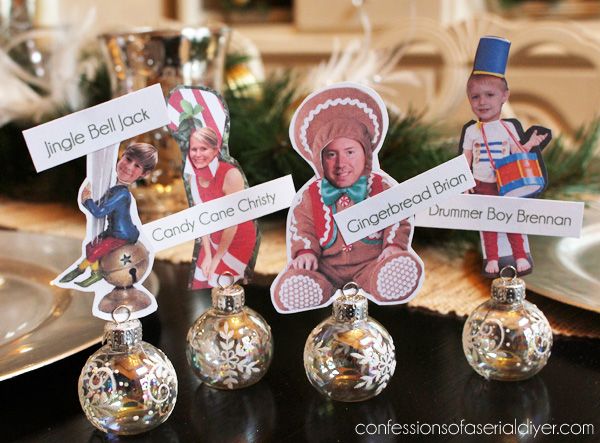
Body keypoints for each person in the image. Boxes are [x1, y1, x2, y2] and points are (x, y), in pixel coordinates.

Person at [271, 84, 423, 313]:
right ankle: (308, 287)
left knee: (382, 272)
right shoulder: (309, 197)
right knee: (307, 276)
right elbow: (302, 228)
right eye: (331, 155)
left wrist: (393, 245)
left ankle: (388, 278)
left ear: (366, 153)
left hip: (371, 263)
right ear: (318, 160)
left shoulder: (383, 187)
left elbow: (398, 217)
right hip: (326, 268)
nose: (341, 163)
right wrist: (305, 252)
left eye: (350, 152)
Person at [460, 36, 550, 277]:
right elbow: (466, 158)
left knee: (511, 221)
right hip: (482, 184)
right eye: (475, 97)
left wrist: (531, 143)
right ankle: (491, 258)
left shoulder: (508, 128)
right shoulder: (471, 131)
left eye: (489, 95)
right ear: (469, 99)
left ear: (504, 96)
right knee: (488, 223)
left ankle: (520, 255)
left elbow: (518, 153)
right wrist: (466, 181)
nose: (482, 102)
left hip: (506, 183)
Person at [60, 142, 158, 287]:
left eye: (137, 166)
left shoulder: (122, 193)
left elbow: (99, 212)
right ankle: (92, 271)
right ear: (122, 156)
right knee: (90, 247)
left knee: (96, 250)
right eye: (128, 159)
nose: (129, 167)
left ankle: (81, 270)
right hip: (114, 231)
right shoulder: (115, 188)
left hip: (122, 234)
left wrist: (87, 199)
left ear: (144, 174)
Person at [186, 126, 257, 289]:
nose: (197, 154)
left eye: (203, 149)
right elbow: (201, 218)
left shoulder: (230, 175)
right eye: (194, 149)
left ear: (215, 150)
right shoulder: (193, 180)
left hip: (237, 238)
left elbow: (233, 222)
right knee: (200, 278)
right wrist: (208, 254)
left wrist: (217, 258)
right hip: (212, 239)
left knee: (220, 282)